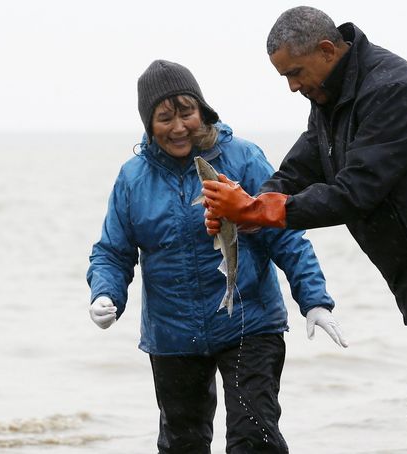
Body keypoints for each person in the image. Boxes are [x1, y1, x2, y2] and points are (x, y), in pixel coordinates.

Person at [201, 7, 407, 454]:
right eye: (284, 78)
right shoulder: (329, 97)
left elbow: (356, 191)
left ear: (327, 50)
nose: (293, 86)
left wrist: (258, 209)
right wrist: (244, 210)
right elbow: (300, 169)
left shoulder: (394, 91)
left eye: (295, 72)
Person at [87, 59, 347, 454]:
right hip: (173, 335)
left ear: (203, 111)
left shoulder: (242, 157)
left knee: (254, 438)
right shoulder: (132, 178)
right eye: (164, 118)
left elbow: (286, 234)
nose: (178, 127)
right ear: (148, 124)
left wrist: (314, 299)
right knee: (182, 444)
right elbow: (113, 251)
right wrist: (105, 294)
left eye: (187, 112)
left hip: (249, 322)